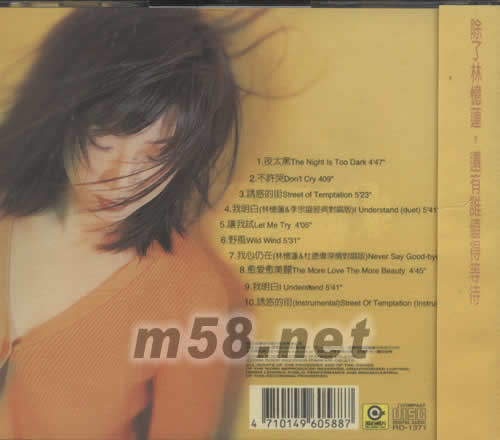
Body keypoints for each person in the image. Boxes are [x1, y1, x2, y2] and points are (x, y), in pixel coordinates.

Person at [0, 8, 259, 439]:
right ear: (64, 114)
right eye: (106, 140)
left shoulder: (191, 293)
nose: (122, 179)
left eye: (156, 157)